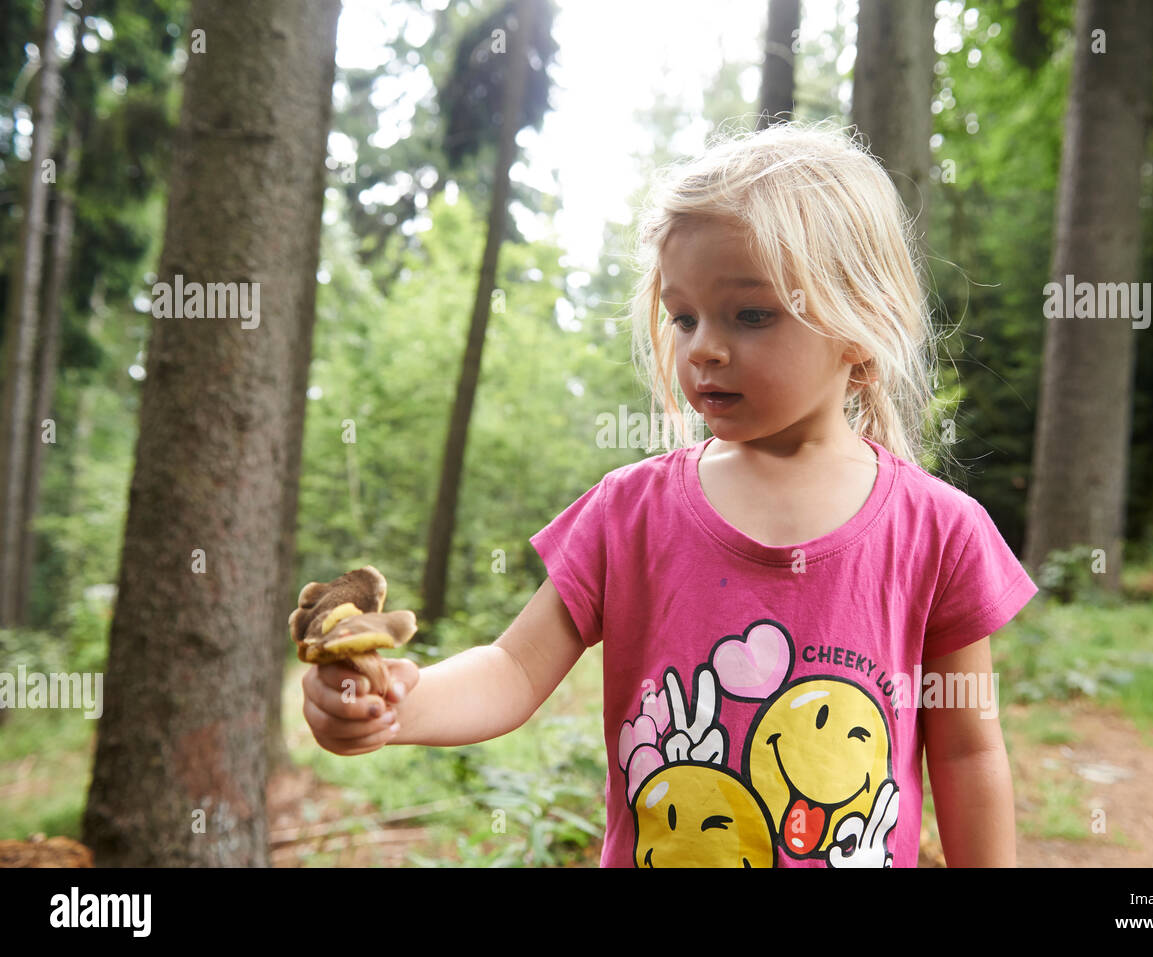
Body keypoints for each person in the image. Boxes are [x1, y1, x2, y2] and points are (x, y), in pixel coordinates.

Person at [300, 120, 1038, 868]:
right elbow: (514, 669)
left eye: (750, 314)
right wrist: (400, 698)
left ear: (860, 324)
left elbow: (967, 752)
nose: (702, 347)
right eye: (683, 316)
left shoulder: (939, 530)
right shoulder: (630, 514)